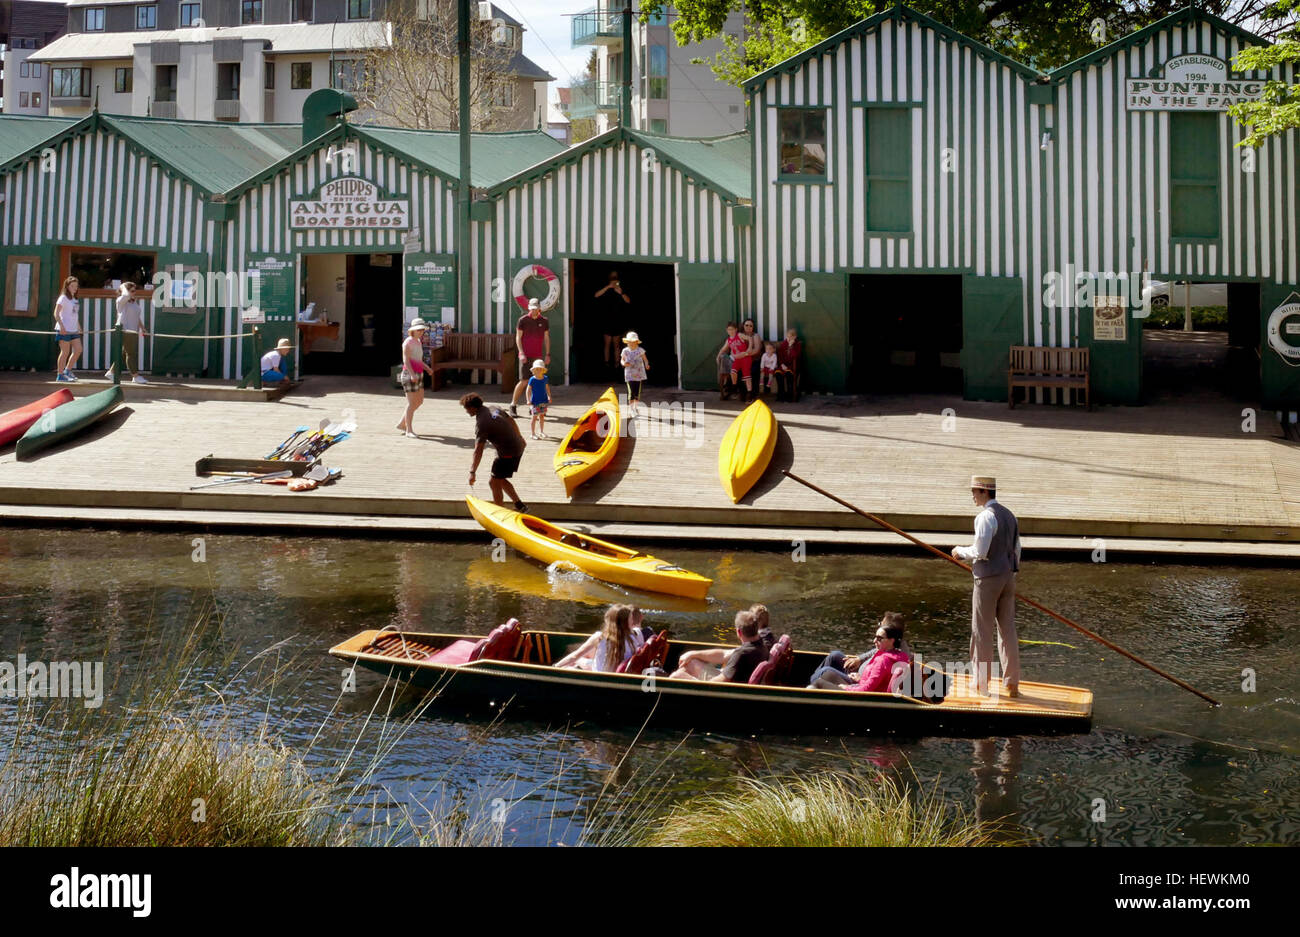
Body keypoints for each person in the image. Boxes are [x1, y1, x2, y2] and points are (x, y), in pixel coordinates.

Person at [951, 475, 1021, 697]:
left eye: (974, 491)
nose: (972, 495)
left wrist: (959, 552)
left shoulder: (984, 517)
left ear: (984, 492)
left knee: (981, 631)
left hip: (987, 579)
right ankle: (1011, 684)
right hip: (1008, 576)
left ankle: (981, 686)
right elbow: (1017, 549)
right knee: (1007, 630)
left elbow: (979, 552)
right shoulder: (1010, 515)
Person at [462, 391, 528, 512]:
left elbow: (478, 450)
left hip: (508, 452)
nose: (466, 412)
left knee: (494, 482)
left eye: (466, 409)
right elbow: (512, 420)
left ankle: (500, 513)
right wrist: (520, 437)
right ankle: (520, 506)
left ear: (472, 408)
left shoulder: (482, 423)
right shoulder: (494, 408)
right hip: (517, 446)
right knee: (499, 478)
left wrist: (472, 472)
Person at [807, 612, 907, 690]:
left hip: (859, 684)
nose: (874, 641)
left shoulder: (886, 657)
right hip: (861, 677)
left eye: (881, 625)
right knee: (835, 655)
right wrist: (859, 659)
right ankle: (812, 686)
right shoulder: (887, 648)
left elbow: (868, 687)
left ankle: (810, 690)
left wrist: (850, 685)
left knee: (825, 672)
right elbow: (875, 653)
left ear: (891, 637)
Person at [670, 610, 767, 683]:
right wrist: (692, 654)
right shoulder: (760, 644)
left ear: (739, 632)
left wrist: (688, 678)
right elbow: (724, 654)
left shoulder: (741, 654)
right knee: (691, 662)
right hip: (731, 682)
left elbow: (718, 683)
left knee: (675, 676)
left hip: (722, 689)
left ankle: (655, 691)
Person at [510, 297, 550, 417]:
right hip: (525, 356)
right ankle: (513, 405)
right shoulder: (523, 320)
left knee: (537, 381)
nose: (534, 311)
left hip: (537, 357)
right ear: (529, 308)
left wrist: (547, 354)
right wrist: (521, 352)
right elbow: (518, 337)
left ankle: (534, 407)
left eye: (536, 309)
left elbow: (547, 338)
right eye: (532, 309)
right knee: (524, 381)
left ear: (539, 309)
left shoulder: (544, 321)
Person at [105, 281, 149, 384]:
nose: (134, 293)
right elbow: (125, 294)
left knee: (124, 354)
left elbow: (137, 317)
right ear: (126, 291)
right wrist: (122, 286)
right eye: (132, 291)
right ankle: (135, 376)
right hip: (125, 330)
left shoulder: (133, 302)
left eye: (135, 291)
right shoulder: (121, 300)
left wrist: (142, 328)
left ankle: (111, 372)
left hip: (133, 331)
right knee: (131, 353)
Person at [396, 318, 428, 438]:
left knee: (419, 401)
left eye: (422, 330)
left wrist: (427, 368)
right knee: (411, 403)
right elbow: (406, 360)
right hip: (409, 374)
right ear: (413, 331)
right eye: (418, 330)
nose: (421, 332)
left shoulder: (418, 341)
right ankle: (408, 430)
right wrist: (412, 374)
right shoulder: (407, 342)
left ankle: (401, 423)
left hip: (419, 373)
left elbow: (418, 360)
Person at [594, 270, 631, 370]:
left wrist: (621, 292)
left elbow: (628, 301)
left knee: (616, 344)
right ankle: (606, 364)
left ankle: (617, 364)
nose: (614, 280)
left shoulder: (621, 289)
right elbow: (596, 295)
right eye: (612, 278)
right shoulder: (606, 288)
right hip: (606, 320)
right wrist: (608, 287)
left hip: (617, 320)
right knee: (607, 344)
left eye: (616, 278)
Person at [53, 277, 82, 383]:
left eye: (76, 286)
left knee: (78, 349)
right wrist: (62, 327)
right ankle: (60, 375)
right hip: (64, 329)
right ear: (67, 286)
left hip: (73, 329)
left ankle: (67, 371)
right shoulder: (63, 298)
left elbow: (75, 314)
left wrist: (78, 326)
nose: (74, 288)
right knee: (65, 352)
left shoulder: (75, 299)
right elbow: (56, 313)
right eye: (72, 286)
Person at [716, 322, 753, 402]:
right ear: (727, 330)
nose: (731, 331)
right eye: (729, 329)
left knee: (747, 376)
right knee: (733, 371)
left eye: (732, 329)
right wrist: (718, 356)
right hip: (737, 359)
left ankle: (749, 394)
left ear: (736, 329)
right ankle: (734, 387)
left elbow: (750, 338)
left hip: (745, 357)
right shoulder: (728, 340)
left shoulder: (739, 335)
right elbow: (723, 349)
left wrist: (749, 348)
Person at [619, 331, 649, 408]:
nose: (631, 343)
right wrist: (623, 363)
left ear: (636, 342)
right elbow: (622, 360)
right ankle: (631, 408)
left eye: (633, 342)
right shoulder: (625, 351)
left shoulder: (640, 350)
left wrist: (646, 365)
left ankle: (635, 407)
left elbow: (645, 359)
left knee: (637, 392)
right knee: (631, 392)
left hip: (638, 375)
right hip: (629, 375)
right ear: (627, 342)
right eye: (629, 342)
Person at [775, 328, 802, 402]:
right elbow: (779, 356)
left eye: (791, 337)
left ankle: (790, 396)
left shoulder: (798, 344)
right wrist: (782, 364)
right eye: (788, 336)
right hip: (783, 365)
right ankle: (781, 395)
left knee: (789, 375)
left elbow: (795, 356)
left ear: (795, 337)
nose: (789, 338)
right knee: (778, 374)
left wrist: (791, 346)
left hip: (792, 366)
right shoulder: (784, 344)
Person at [527, 358, 550, 439]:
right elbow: (528, 390)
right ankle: (532, 434)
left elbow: (547, 388)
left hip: (543, 400)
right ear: (533, 370)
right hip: (535, 402)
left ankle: (541, 432)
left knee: (542, 416)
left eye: (540, 369)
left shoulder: (545, 378)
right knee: (534, 417)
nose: (538, 371)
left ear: (543, 370)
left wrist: (549, 396)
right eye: (536, 369)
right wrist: (528, 400)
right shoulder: (532, 379)